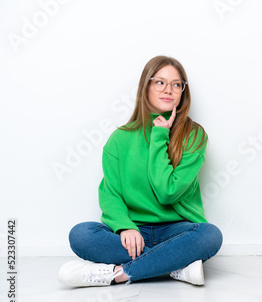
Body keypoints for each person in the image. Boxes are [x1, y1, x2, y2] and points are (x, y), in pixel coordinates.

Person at [57, 56, 223, 287]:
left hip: (177, 230)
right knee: (81, 234)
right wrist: (125, 226)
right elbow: (111, 193)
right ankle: (175, 266)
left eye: (177, 84)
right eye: (160, 82)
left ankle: (117, 274)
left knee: (210, 235)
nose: (169, 90)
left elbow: (167, 192)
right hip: (133, 233)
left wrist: (159, 136)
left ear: (183, 92)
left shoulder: (194, 135)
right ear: (145, 87)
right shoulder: (120, 138)